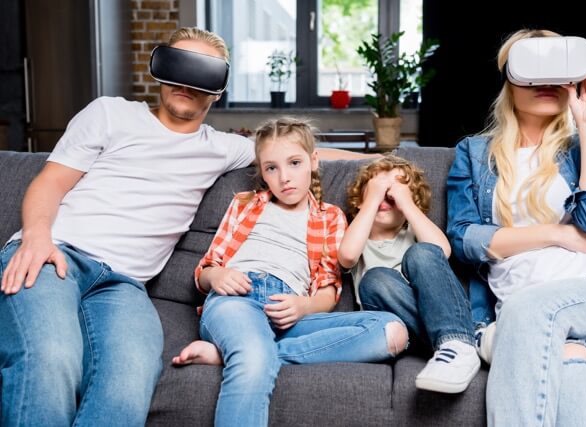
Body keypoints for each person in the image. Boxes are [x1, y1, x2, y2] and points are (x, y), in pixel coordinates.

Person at [0, 27, 371, 426]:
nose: (187, 83)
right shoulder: (110, 113)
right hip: (57, 252)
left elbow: (298, 152)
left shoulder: (221, 147)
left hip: (125, 285)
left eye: (203, 75)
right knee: (52, 356)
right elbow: (50, 181)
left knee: (131, 378)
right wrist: (36, 238)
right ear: (160, 69)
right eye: (179, 66)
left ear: (217, 91)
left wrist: (388, 159)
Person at [446, 29, 586, 426]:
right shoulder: (475, 152)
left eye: (558, 71)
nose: (547, 83)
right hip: (526, 311)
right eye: (533, 69)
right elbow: (464, 238)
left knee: (531, 310)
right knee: (572, 363)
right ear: (510, 77)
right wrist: (557, 234)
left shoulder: (583, 145)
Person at [171, 117, 408, 427]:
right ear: (263, 174)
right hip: (237, 301)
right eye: (272, 168)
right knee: (254, 357)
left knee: (392, 330)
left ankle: (234, 355)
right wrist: (215, 276)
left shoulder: (330, 217)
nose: (284, 177)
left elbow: (328, 290)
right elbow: (206, 269)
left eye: (294, 163)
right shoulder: (245, 204)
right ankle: (248, 355)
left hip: (290, 314)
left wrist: (304, 306)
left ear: (312, 161)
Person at [337, 154, 480, 393]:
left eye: (393, 193)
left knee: (422, 253)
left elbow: (441, 251)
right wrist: (371, 201)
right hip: (405, 330)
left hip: (442, 320)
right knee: (375, 279)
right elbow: (348, 256)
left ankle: (457, 341)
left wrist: (407, 203)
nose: (385, 197)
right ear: (361, 199)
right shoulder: (355, 234)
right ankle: (469, 339)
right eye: (377, 190)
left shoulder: (413, 231)